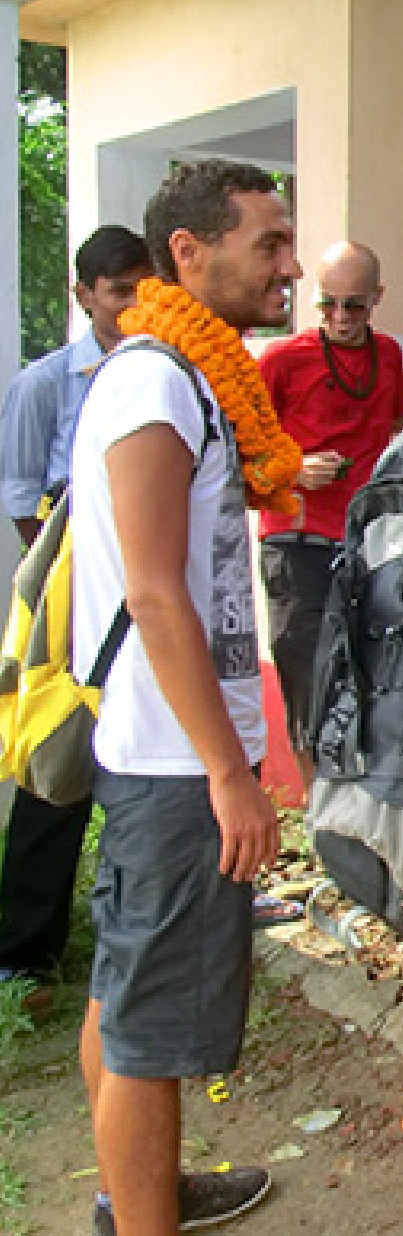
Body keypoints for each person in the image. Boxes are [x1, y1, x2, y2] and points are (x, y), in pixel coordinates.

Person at [73, 160, 302, 1236]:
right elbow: (159, 594)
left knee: (128, 1001)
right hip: (174, 761)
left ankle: (138, 1195)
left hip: (165, 747)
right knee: (153, 1028)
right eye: (269, 242)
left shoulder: (170, 375)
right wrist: (228, 772)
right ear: (187, 253)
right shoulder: (157, 378)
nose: (290, 265)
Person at [0, 227, 153, 999]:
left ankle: (132, 928)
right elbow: (19, 491)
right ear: (84, 293)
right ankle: (25, 951)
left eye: (143, 288)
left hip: (145, 592)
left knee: (138, 761)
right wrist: (74, 575)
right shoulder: (46, 384)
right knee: (55, 762)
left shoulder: (168, 372)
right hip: (69, 600)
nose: (133, 305)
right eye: (118, 290)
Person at [257, 241, 403, 784]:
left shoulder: (388, 356)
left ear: (376, 299)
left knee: (369, 671)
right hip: (296, 540)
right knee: (306, 676)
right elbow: (241, 450)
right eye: (327, 305)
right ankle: (317, 801)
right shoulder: (282, 359)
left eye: (354, 305)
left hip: (367, 540)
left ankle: (361, 798)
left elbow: (395, 432)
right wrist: (294, 468)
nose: (340, 318)